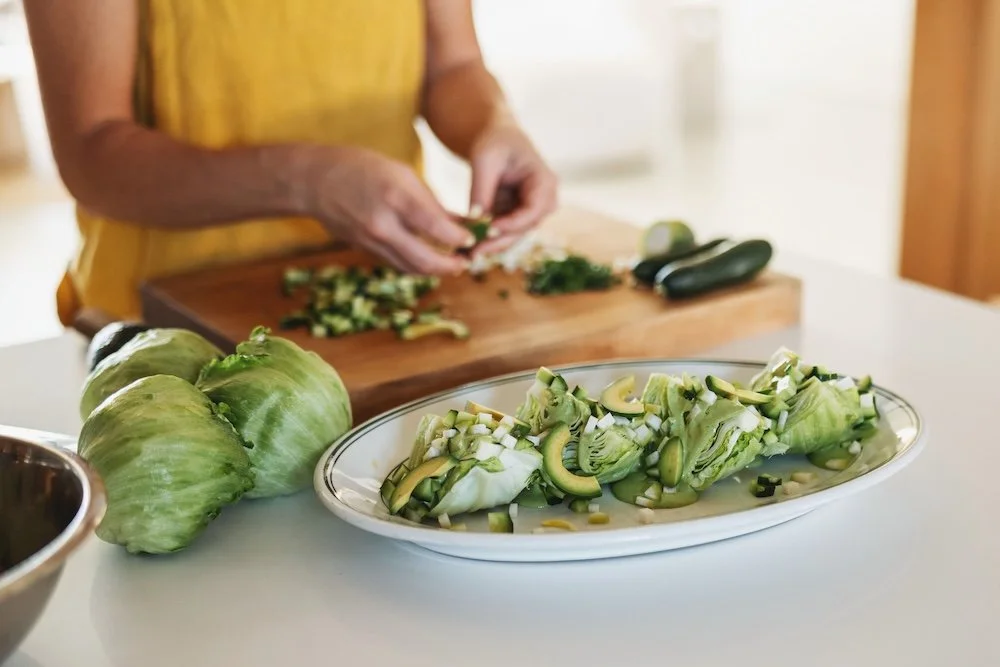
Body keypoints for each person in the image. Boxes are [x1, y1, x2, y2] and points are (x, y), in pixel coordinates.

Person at [22, 0, 558, 328]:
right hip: (163, 318)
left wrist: (494, 126)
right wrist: (307, 181)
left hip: (385, 291)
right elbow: (91, 153)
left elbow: (454, 65)